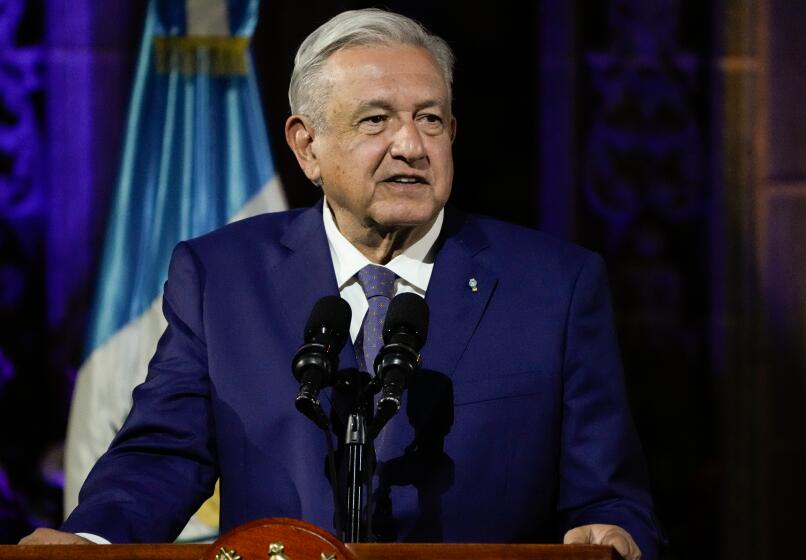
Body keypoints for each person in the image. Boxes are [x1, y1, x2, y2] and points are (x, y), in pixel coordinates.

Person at [21, 9, 662, 559]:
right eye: (376, 120)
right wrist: (95, 544)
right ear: (307, 148)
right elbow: (163, 455)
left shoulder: (555, 286)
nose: (411, 144)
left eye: (431, 120)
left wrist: (609, 535)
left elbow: (607, 493)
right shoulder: (222, 277)